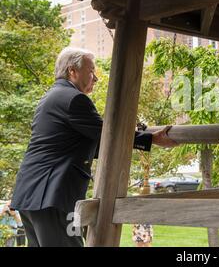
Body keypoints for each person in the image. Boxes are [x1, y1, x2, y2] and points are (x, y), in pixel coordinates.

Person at [10, 48, 178, 247]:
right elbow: (109, 135)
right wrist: (150, 139)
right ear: (72, 71)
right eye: (91, 71)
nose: (96, 78)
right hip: (51, 196)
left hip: (32, 194)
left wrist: (134, 135)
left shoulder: (51, 97)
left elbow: (88, 145)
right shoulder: (74, 99)